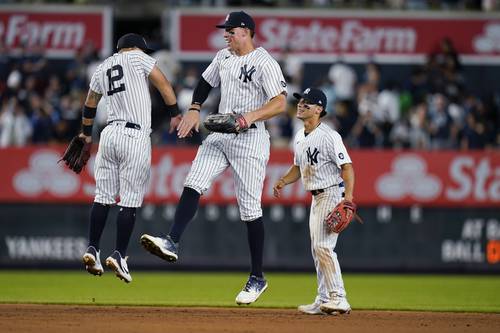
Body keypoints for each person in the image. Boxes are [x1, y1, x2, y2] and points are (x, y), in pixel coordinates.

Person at [140, 11, 287, 304]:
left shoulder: (264, 62)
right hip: (221, 131)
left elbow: (280, 103)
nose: (226, 34)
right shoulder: (223, 57)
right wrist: (194, 107)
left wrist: (248, 117)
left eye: (230, 30)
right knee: (194, 180)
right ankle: (172, 241)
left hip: (251, 138)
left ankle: (257, 278)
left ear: (246, 31)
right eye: (226, 30)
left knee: (249, 209)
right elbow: (206, 83)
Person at [81, 33, 181, 283]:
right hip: (134, 135)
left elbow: (90, 103)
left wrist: (84, 134)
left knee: (102, 197)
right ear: (137, 47)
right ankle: (120, 255)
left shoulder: (103, 66)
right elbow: (163, 84)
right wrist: (175, 113)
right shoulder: (139, 57)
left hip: (108, 134)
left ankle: (93, 248)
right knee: (130, 200)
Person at [273, 88, 354, 315]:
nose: (301, 105)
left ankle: (339, 297)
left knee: (323, 247)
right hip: (316, 198)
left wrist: (348, 198)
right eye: (300, 101)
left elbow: (347, 167)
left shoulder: (330, 136)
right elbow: (299, 168)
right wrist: (283, 181)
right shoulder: (299, 136)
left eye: (307, 103)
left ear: (319, 109)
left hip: (330, 192)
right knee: (316, 249)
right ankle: (324, 298)